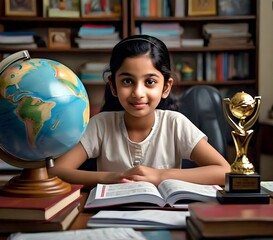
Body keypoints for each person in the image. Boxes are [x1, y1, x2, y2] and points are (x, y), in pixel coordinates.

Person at [49, 34, 230, 188]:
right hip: (112, 217)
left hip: (164, 216)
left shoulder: (175, 123)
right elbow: (56, 171)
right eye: (127, 81)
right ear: (113, 86)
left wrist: (160, 176)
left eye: (150, 82)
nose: (138, 93)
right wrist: (111, 177)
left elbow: (224, 171)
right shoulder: (101, 124)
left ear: (166, 87)